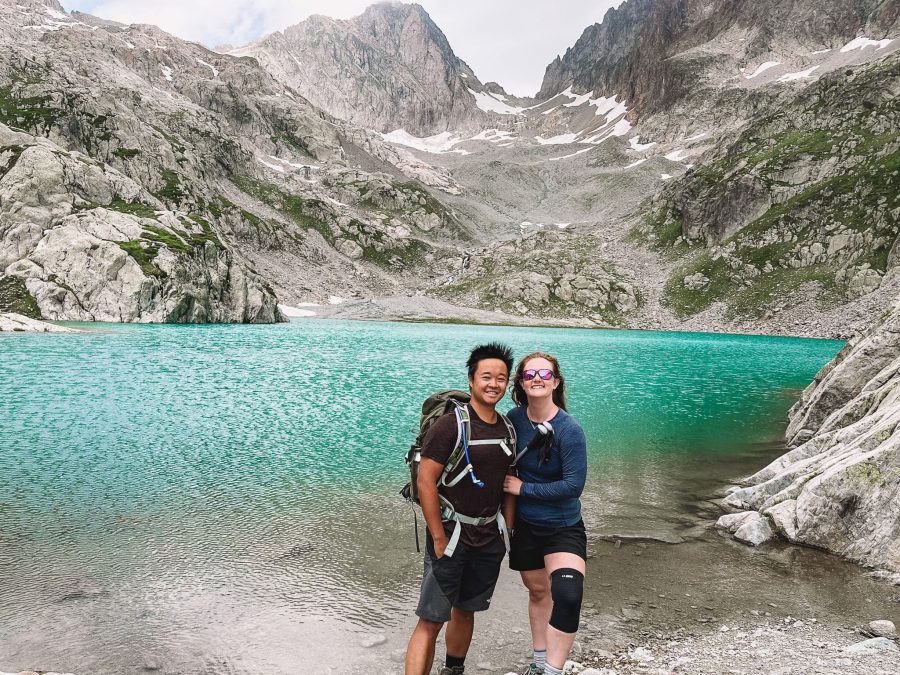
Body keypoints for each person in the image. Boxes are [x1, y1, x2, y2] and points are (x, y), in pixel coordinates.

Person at [405, 342, 518, 675]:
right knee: (431, 619)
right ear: (471, 379)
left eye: (501, 377)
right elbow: (426, 481)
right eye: (486, 376)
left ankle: (453, 670)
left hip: (487, 538)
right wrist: (438, 537)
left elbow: (508, 483)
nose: (493, 384)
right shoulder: (451, 425)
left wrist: (508, 534)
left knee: (465, 610)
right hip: (451, 536)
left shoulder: (508, 429)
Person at [503, 352, 588, 675]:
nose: (537, 378)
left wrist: (523, 489)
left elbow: (573, 486)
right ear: (521, 384)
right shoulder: (514, 420)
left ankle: (552, 670)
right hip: (525, 527)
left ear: (555, 381)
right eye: (529, 374)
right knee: (539, 592)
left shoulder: (569, 430)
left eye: (544, 373)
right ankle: (538, 663)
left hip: (563, 527)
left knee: (567, 595)